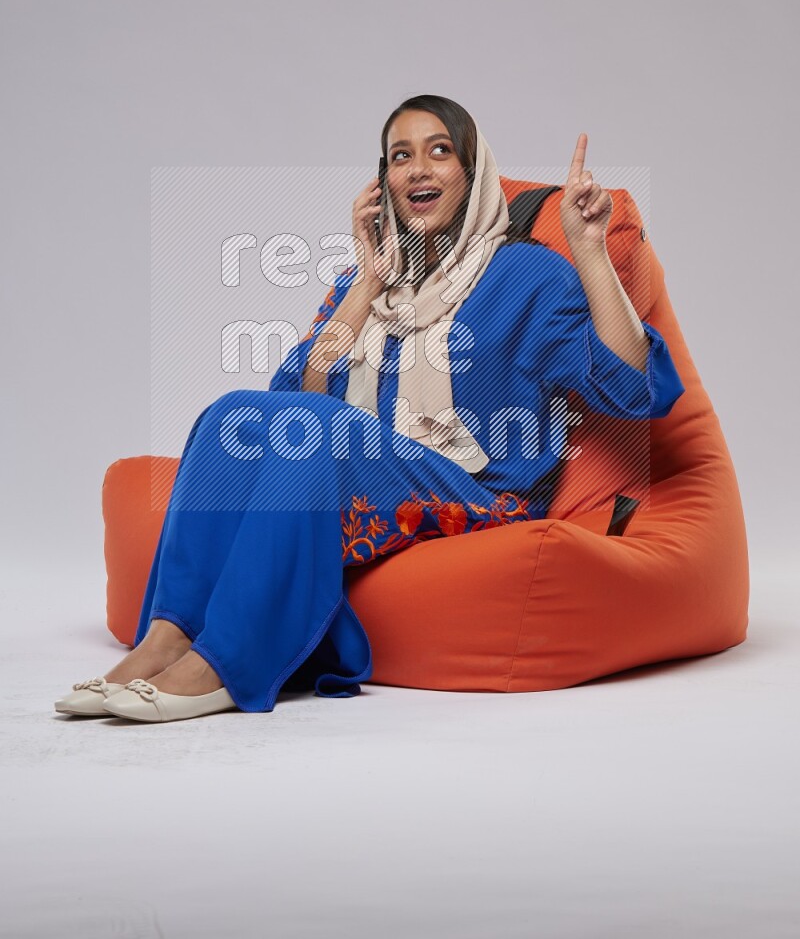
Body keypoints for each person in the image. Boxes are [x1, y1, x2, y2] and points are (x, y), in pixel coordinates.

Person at [54, 94, 685, 723]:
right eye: (399, 157)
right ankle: (166, 638)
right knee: (229, 414)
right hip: (371, 463)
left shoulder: (527, 274)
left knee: (323, 430)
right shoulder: (370, 287)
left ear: (472, 172)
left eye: (440, 151)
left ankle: (227, 665)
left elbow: (635, 390)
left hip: (480, 491)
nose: (418, 169)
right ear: (383, 183)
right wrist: (366, 284)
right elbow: (290, 402)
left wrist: (591, 248)